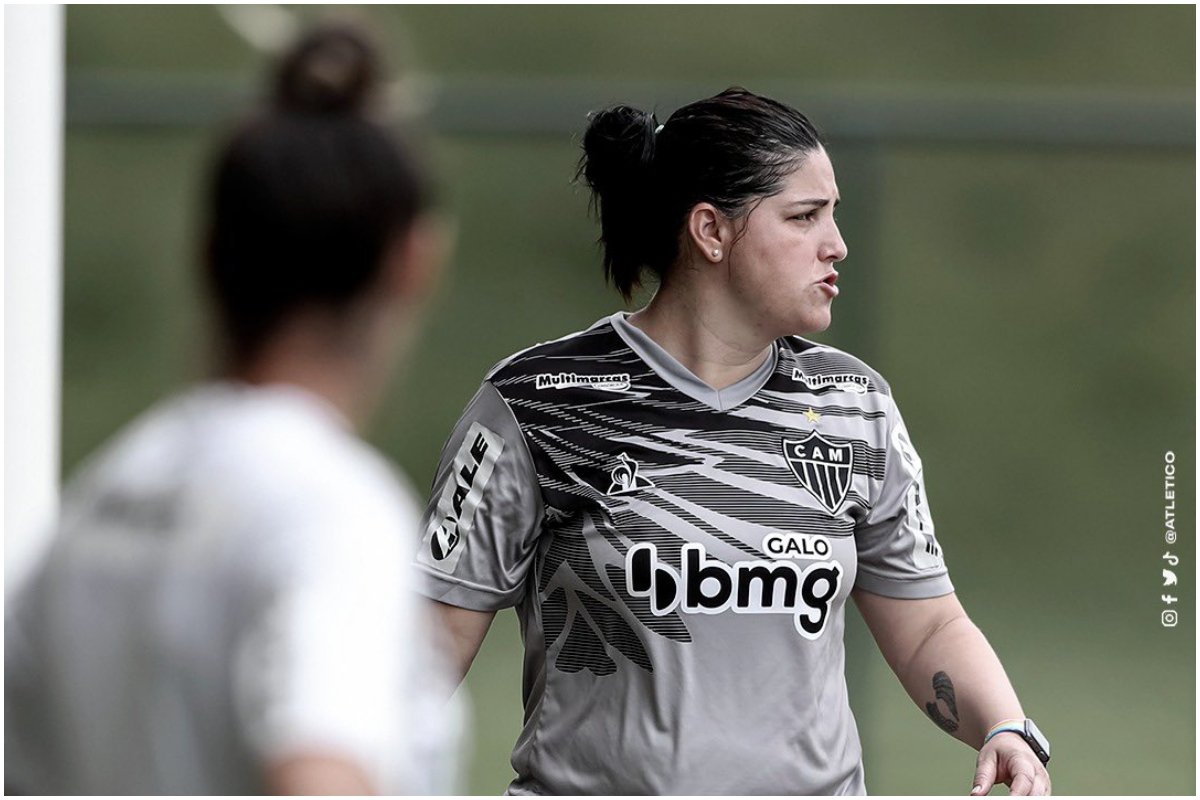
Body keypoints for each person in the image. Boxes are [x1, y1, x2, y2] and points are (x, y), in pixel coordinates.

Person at [414, 88, 1052, 795]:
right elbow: (429, 648)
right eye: (804, 217)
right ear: (711, 232)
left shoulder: (854, 408)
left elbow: (929, 624)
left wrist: (1004, 726)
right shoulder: (540, 404)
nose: (836, 244)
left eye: (832, 214)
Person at [5, 23, 461, 795]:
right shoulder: (329, 513)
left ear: (210, 251)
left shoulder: (93, 507)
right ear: (412, 260)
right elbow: (320, 773)